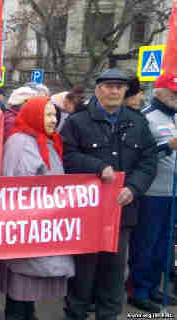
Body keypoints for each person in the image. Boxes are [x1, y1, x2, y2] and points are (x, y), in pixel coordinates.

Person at [62, 69, 157, 320]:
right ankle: (75, 313)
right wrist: (97, 167)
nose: (115, 91)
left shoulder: (137, 122)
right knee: (83, 272)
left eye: (120, 87)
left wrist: (134, 188)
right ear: (98, 89)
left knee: (114, 273)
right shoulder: (77, 122)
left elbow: (148, 161)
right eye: (109, 86)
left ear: (126, 91)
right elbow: (67, 156)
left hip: (121, 210)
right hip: (86, 211)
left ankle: (108, 315)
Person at [0, 96, 74, 320]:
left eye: (54, 114)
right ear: (33, 116)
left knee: (28, 282)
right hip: (27, 225)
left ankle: (26, 314)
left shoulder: (46, 140)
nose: (53, 120)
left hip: (42, 224)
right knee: (21, 280)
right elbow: (18, 187)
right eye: (48, 114)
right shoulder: (21, 143)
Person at [128, 72, 177, 312]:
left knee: (164, 245)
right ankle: (139, 290)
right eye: (173, 92)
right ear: (158, 91)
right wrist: (167, 146)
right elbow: (140, 155)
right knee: (146, 243)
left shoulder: (175, 116)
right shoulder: (147, 117)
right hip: (151, 193)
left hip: (173, 193)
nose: (176, 97)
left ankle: (154, 287)